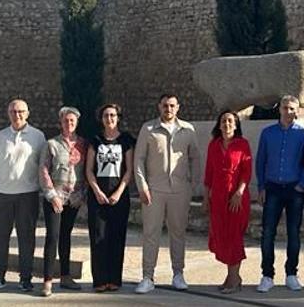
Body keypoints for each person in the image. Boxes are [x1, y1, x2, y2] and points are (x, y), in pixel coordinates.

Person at [133, 93, 201, 294]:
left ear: (178, 107)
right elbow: (139, 159)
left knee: (178, 233)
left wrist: (193, 185)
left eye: (172, 105)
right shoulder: (148, 129)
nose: (168, 109)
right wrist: (142, 186)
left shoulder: (188, 129)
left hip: (180, 190)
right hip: (154, 190)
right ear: (159, 106)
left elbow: (195, 157)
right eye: (165, 105)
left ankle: (178, 273)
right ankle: (147, 277)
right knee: (150, 234)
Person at [0, 99, 47, 294]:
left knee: (26, 237)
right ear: (8, 113)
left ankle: (26, 278)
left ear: (27, 113)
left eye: (20, 111)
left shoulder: (38, 136)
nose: (16, 114)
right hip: (2, 193)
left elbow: (43, 165)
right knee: (0, 237)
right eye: (13, 111)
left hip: (27, 194)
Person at [254, 94, 304, 293]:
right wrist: (261, 187)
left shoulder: (303, 134)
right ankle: (267, 275)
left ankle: (291, 274)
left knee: (294, 233)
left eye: (292, 108)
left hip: (294, 189)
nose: (288, 112)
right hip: (272, 188)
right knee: (268, 232)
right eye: (285, 108)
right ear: (279, 109)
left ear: (297, 111)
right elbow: (261, 161)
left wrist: (302, 184)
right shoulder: (267, 133)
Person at [86, 104, 136, 293]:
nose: (110, 118)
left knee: (116, 237)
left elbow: (129, 170)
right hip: (97, 196)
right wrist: (97, 191)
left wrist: (119, 192)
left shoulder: (126, 140)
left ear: (118, 118)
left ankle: (114, 279)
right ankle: (100, 280)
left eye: (113, 115)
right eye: (106, 115)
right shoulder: (95, 140)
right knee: (98, 236)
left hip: (119, 197)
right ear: (102, 118)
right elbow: (89, 170)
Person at [38, 107, 87, 297]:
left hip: (73, 198)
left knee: (66, 236)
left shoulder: (83, 144)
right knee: (53, 236)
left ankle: (65, 276)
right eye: (66, 120)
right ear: (61, 122)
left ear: (77, 123)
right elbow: (43, 169)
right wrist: (52, 195)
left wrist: (82, 195)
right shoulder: (51, 144)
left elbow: (86, 170)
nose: (69, 124)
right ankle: (47, 280)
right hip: (55, 197)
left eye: (72, 121)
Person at [203, 110, 252, 294]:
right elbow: (209, 172)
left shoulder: (242, 145)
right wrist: (206, 197)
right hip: (218, 198)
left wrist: (239, 192)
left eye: (231, 121)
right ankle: (232, 277)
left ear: (236, 124)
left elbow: (247, 171)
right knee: (221, 236)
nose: (227, 124)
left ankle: (233, 280)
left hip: (236, 198)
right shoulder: (213, 145)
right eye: (224, 121)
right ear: (219, 124)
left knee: (234, 237)